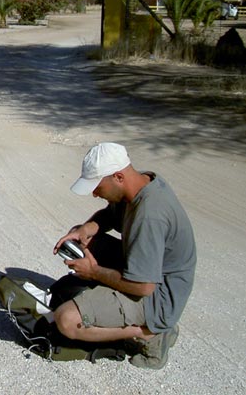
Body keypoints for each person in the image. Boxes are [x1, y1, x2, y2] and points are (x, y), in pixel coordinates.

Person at [52, 142, 196, 369]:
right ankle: (110, 301)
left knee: (66, 320)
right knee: (86, 239)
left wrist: (94, 273)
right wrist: (84, 230)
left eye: (97, 187)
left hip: (158, 297)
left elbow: (143, 287)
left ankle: (153, 333)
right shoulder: (141, 184)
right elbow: (110, 215)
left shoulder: (149, 215)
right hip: (149, 271)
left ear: (118, 177)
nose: (94, 194)